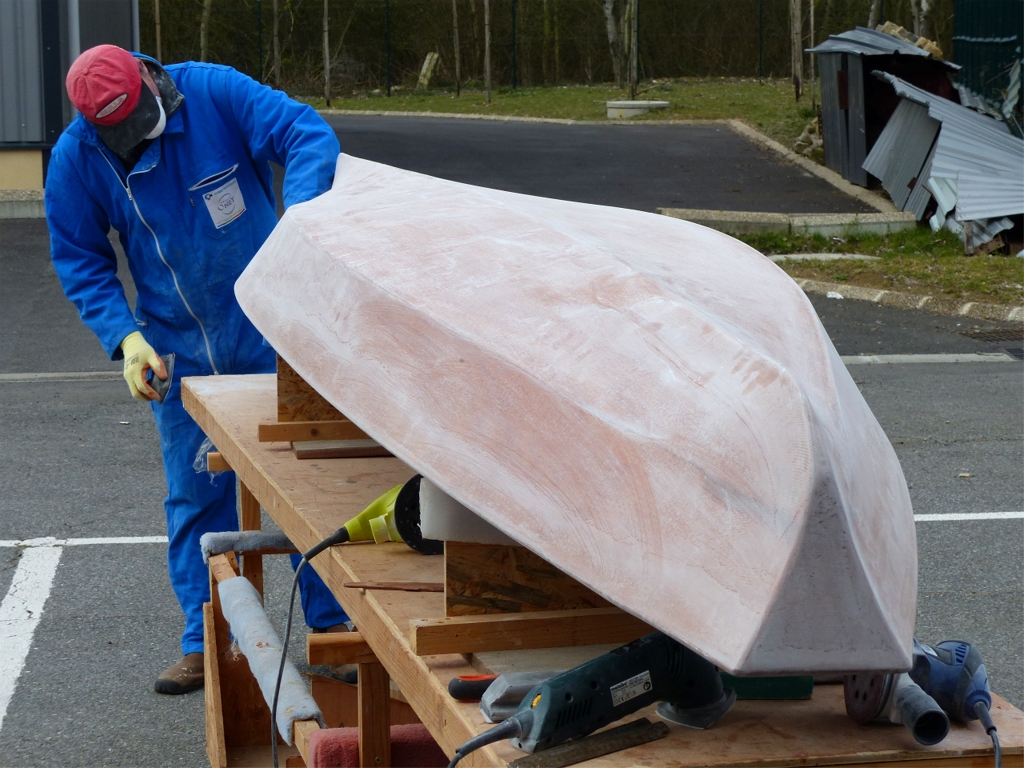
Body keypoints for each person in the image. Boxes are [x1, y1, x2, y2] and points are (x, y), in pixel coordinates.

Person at [45, 44, 351, 694]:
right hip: (177, 353)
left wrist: (299, 216)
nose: (136, 143)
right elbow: (79, 257)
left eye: (137, 121)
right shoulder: (78, 158)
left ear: (148, 83)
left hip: (270, 329)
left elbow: (305, 133)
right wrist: (125, 338)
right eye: (118, 136)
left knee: (305, 483)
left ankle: (334, 636)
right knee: (195, 500)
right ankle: (210, 643)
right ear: (92, 126)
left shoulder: (212, 92)